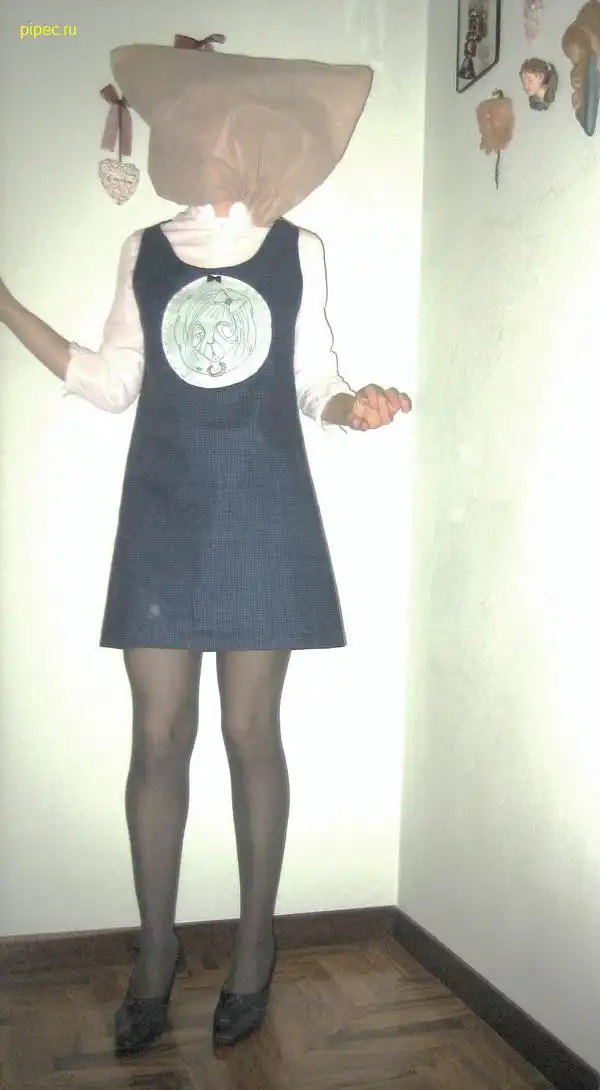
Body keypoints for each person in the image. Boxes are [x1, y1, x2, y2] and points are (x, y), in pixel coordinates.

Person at [0, 33, 412, 1059]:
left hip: (264, 509)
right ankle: (155, 951)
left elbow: (315, 381)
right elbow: (110, 383)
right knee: (155, 739)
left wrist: (352, 406)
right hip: (163, 512)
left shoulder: (297, 249)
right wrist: (5, 306)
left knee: (249, 733)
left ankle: (256, 944)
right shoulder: (141, 250)